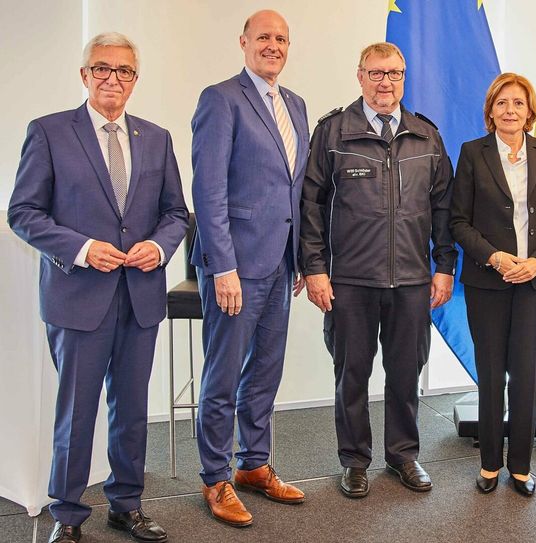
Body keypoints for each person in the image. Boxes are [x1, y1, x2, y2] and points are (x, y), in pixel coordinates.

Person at [7, 32, 188, 543]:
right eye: (103, 69)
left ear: (135, 80)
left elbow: (175, 212)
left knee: (131, 410)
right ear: (84, 75)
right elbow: (24, 213)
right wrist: (83, 248)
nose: (114, 79)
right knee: (76, 413)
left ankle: (126, 504)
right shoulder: (48, 132)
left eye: (125, 71)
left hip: (140, 297)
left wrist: (160, 246)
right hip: (78, 298)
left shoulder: (156, 137)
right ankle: (67, 517)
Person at [300, 42, 457, 498]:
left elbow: (443, 207)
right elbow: (311, 205)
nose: (384, 82)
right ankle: (353, 460)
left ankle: (403, 454)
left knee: (406, 371)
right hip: (350, 280)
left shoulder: (426, 136)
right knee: (352, 373)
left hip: (411, 279)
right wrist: (315, 268)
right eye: (375, 73)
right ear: (360, 75)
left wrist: (444, 266)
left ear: (403, 78)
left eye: (394, 73)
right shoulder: (333, 133)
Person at [190, 9, 309, 526]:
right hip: (235, 268)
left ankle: (253, 465)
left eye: (281, 39)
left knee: (264, 373)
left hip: (281, 264)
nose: (273, 46)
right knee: (222, 378)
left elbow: (293, 190)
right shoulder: (221, 99)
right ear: (243, 42)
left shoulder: (297, 105)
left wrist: (301, 257)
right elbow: (208, 190)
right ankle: (215, 478)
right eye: (264, 37)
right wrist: (222, 267)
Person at [449, 73, 536, 496]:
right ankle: (488, 466)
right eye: (502, 104)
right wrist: (495, 257)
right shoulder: (471, 154)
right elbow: (458, 221)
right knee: (491, 374)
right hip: (489, 281)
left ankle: (520, 466)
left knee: (527, 376)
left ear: (529, 111)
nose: (510, 111)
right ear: (490, 111)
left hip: (535, 282)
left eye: (518, 103)